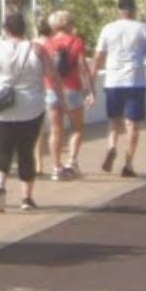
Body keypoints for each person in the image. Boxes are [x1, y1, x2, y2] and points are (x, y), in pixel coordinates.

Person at [0, 13, 58, 211]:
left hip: (2, 108)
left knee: (1, 151)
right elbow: (51, 74)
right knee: (25, 152)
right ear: (24, 28)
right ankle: (26, 198)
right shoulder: (37, 49)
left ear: (6, 29)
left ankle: (0, 185)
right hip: (31, 109)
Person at [95, 0, 146, 178]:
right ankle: (128, 164)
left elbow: (99, 57)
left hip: (113, 81)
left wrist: (92, 79)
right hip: (135, 82)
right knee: (133, 125)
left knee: (114, 121)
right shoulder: (144, 29)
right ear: (134, 10)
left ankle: (112, 147)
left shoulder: (108, 29)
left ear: (119, 10)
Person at [42, 11, 95, 181]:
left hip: (52, 90)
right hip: (72, 89)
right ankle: (72, 162)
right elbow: (83, 67)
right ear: (69, 24)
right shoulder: (76, 42)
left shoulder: (47, 44)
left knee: (56, 130)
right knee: (77, 128)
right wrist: (90, 90)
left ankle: (56, 167)